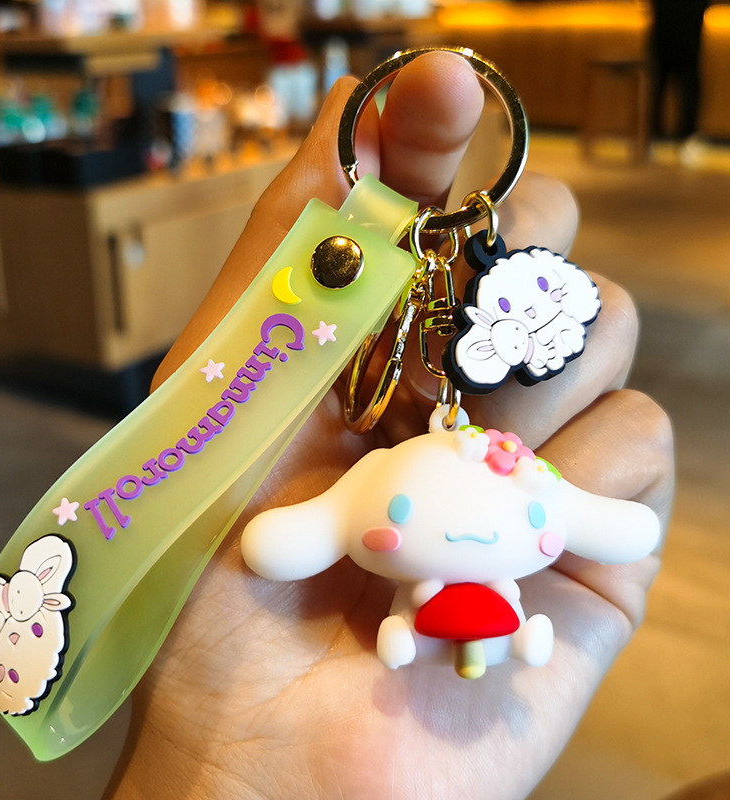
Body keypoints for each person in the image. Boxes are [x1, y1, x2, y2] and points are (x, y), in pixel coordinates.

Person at [105, 52, 674, 800]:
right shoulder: (393, 481)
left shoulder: (414, 478)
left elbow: (595, 520)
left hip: (486, 612)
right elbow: (304, 531)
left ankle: (508, 636)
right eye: (396, 514)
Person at [649, 0, 710, 162]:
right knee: (683, 84)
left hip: (669, 28)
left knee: (661, 84)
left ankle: (656, 138)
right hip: (686, 30)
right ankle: (685, 139)